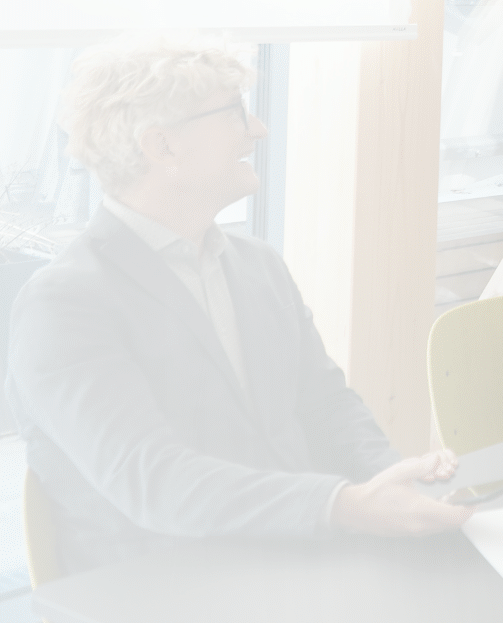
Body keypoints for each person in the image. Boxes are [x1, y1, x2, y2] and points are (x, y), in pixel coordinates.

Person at [7, 39, 468, 574]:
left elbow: (326, 405)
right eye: (233, 112)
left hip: (297, 557)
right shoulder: (64, 305)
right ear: (162, 146)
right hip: (166, 587)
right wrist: (343, 506)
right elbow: (155, 481)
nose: (258, 129)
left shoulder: (257, 266)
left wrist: (395, 482)